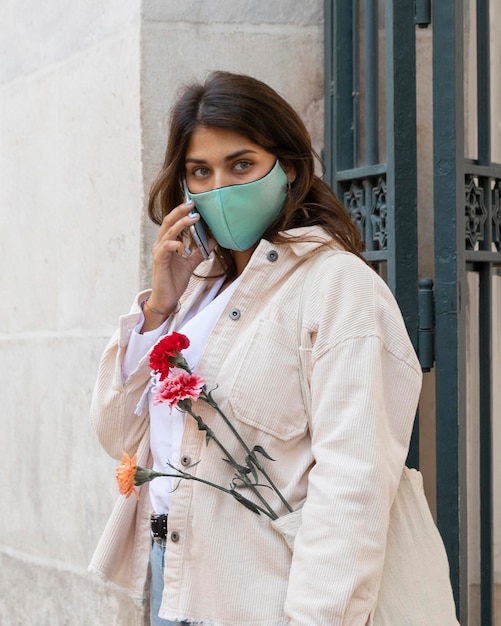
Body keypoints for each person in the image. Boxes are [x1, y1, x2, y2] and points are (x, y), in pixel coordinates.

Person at [89, 71, 422, 625]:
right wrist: (157, 309)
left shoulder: (338, 287)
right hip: (170, 582)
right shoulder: (195, 292)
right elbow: (117, 437)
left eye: (241, 164)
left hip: (264, 599)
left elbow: (353, 486)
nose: (220, 187)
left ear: (287, 168)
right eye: (201, 171)